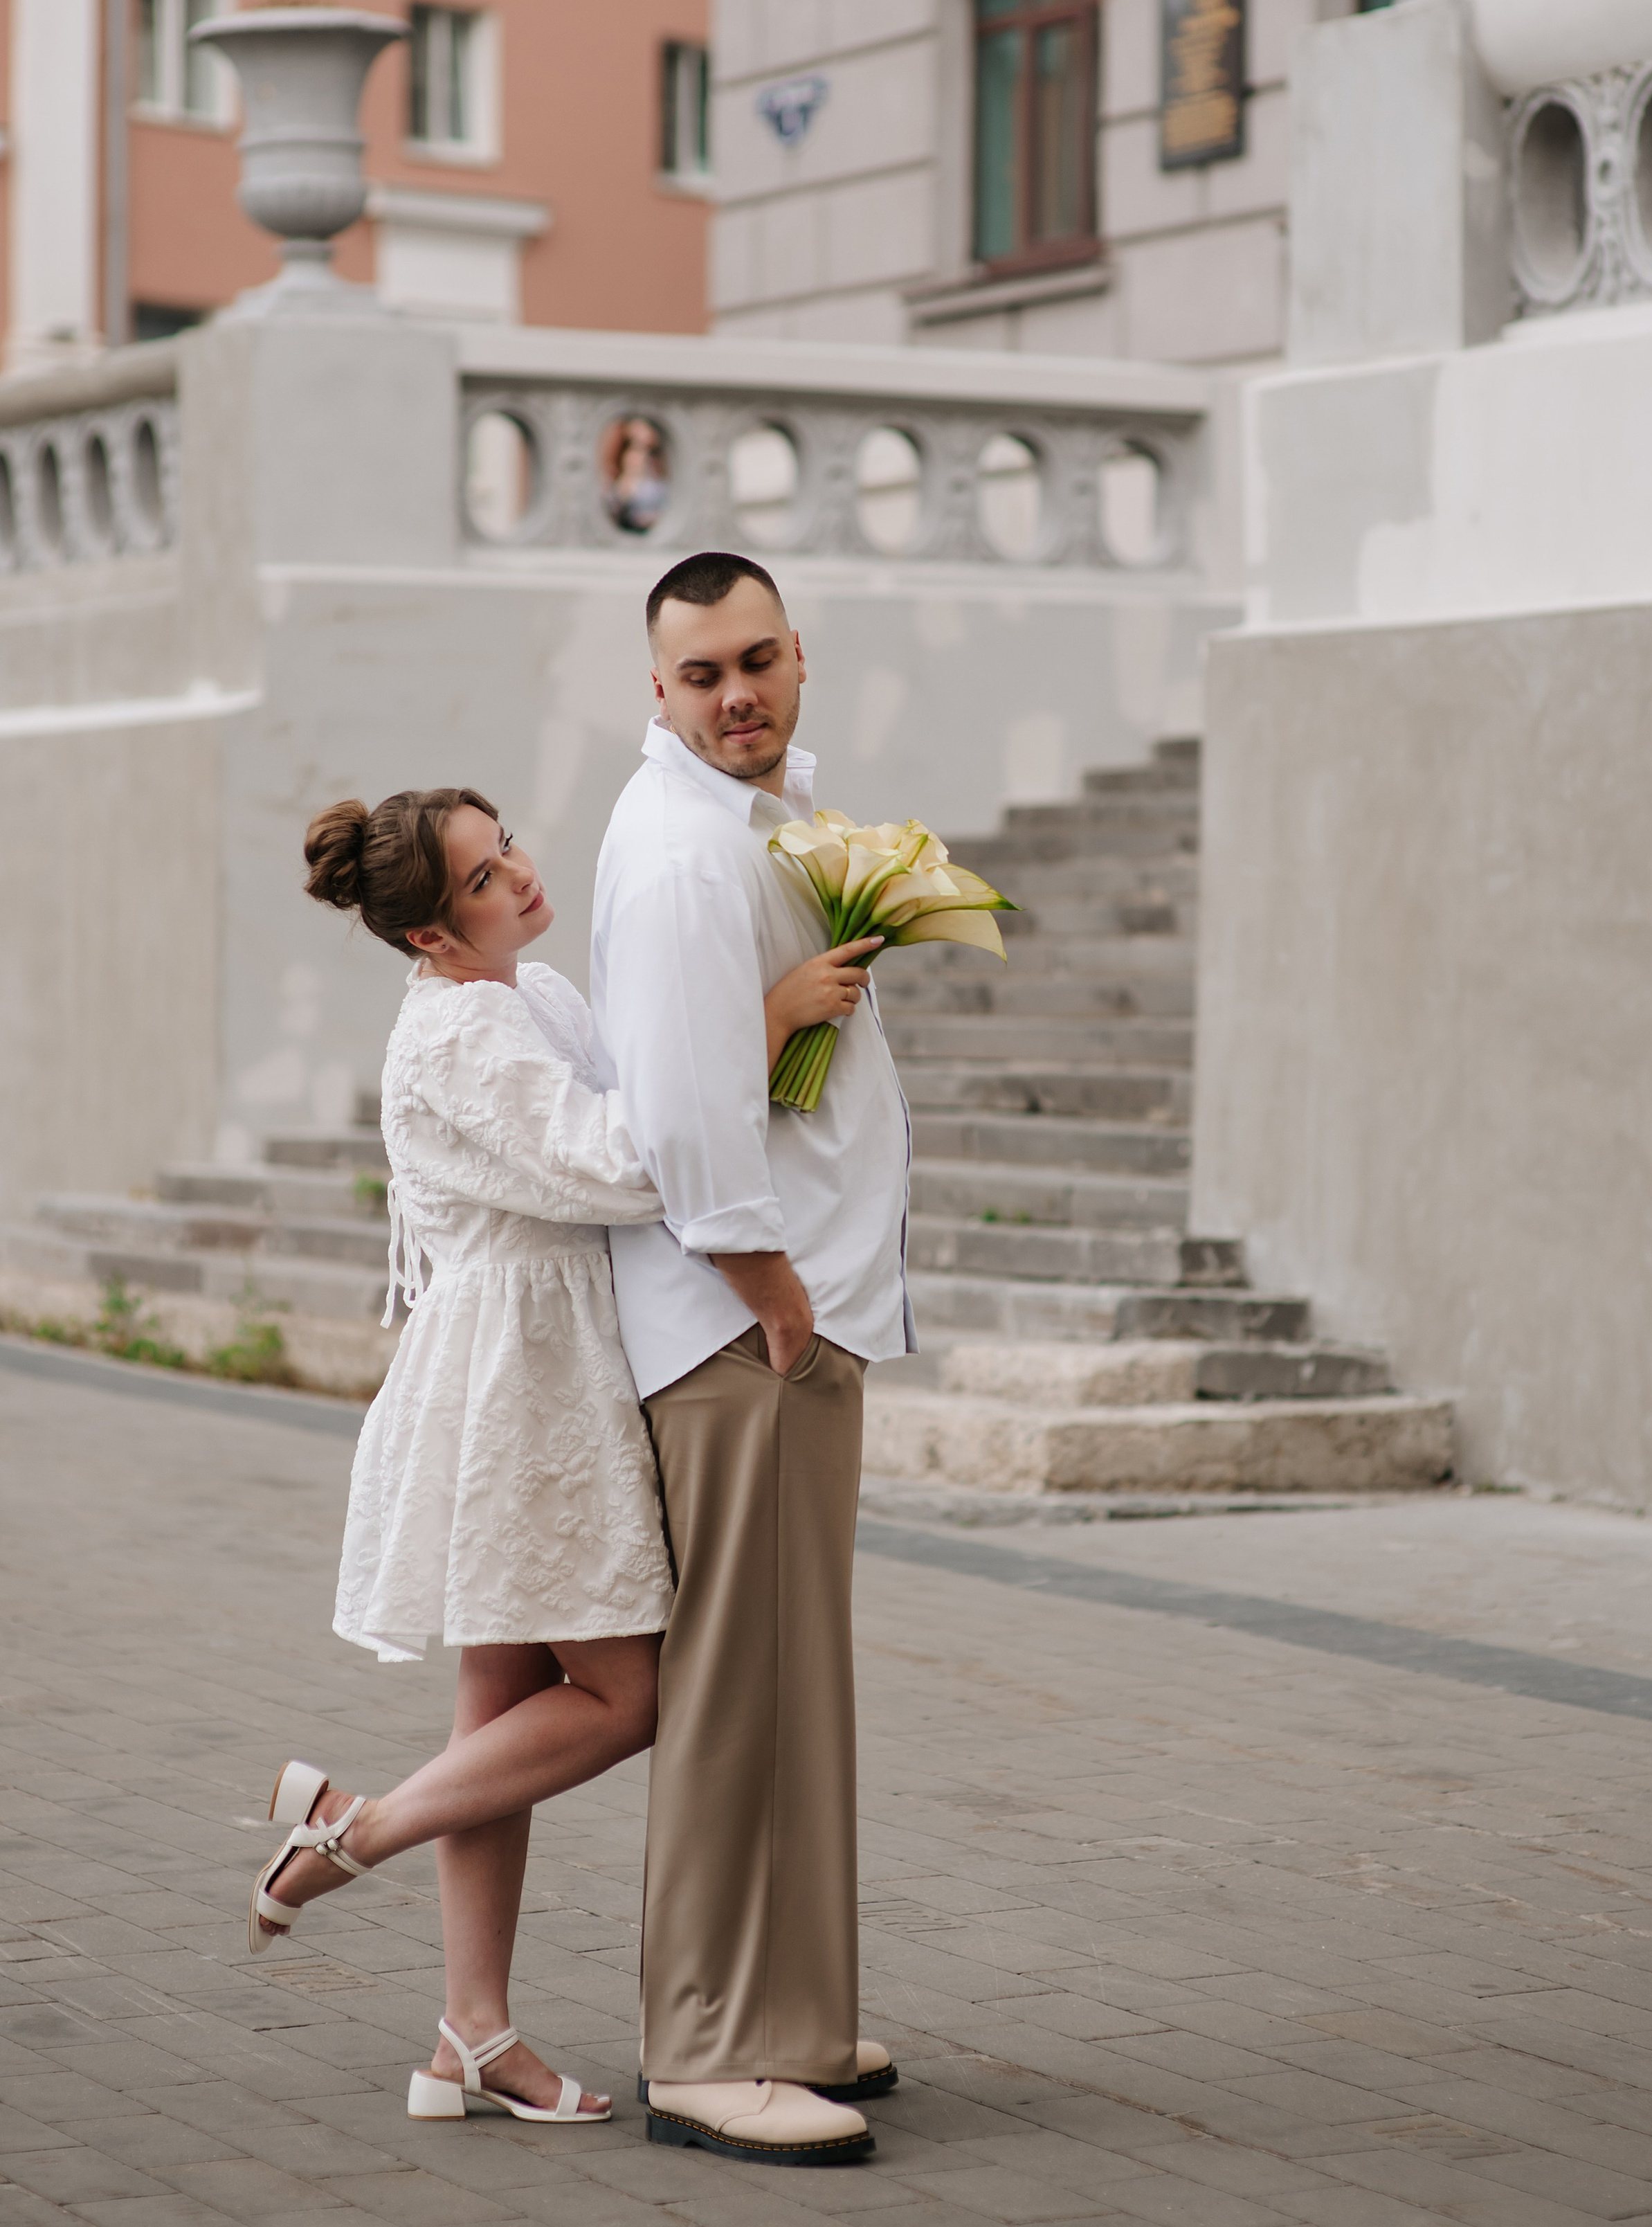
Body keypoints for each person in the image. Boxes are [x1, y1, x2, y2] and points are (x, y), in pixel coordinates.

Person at [248, 784, 873, 2131]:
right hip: (513, 1381)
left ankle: (470, 2033)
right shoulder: (461, 1028)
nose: (519, 879)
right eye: (480, 880)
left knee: (501, 1713)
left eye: (507, 847)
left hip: (536, 1354)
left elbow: (625, 1110)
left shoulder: (528, 994)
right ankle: (352, 1830)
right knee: (626, 1695)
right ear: (427, 936)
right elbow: (617, 1160)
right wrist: (765, 1022)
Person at [590, 552, 916, 2168]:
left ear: (801, 654)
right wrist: (769, 1284)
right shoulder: (674, 856)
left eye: (759, 660)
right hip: (742, 1322)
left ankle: (789, 2013)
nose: (738, 694)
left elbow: (756, 1051)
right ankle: (709, 2048)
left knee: (794, 1683)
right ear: (653, 692)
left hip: (790, 1306)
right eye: (703, 673)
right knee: (734, 1692)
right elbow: (672, 1111)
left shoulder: (763, 818)